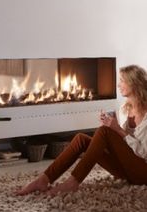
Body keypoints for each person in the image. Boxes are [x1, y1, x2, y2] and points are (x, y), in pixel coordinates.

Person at [17, 64, 147, 196]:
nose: (118, 85)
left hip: (143, 174)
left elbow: (144, 153)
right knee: (81, 139)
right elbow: (124, 144)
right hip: (126, 169)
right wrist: (112, 127)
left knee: (103, 131)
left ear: (134, 83)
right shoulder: (126, 108)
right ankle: (43, 179)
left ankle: (72, 183)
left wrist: (117, 129)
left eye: (122, 81)